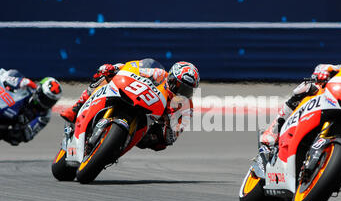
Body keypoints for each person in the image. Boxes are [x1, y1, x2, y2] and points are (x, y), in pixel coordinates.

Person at [59, 58, 200, 151]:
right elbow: (132, 67)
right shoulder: (159, 74)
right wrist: (114, 69)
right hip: (135, 95)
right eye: (180, 86)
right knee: (104, 77)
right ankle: (76, 107)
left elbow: (172, 137)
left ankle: (112, 148)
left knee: (159, 143)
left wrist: (169, 124)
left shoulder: (185, 106)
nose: (182, 92)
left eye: (187, 90)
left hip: (150, 122)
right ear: (171, 78)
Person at [0, 68, 62, 145]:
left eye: (50, 101)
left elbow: (28, 134)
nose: (46, 103)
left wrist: (19, 126)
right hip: (3, 106)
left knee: (15, 138)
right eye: (44, 98)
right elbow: (4, 74)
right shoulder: (28, 86)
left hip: (8, 125)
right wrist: (19, 81)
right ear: (39, 90)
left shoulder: (45, 115)